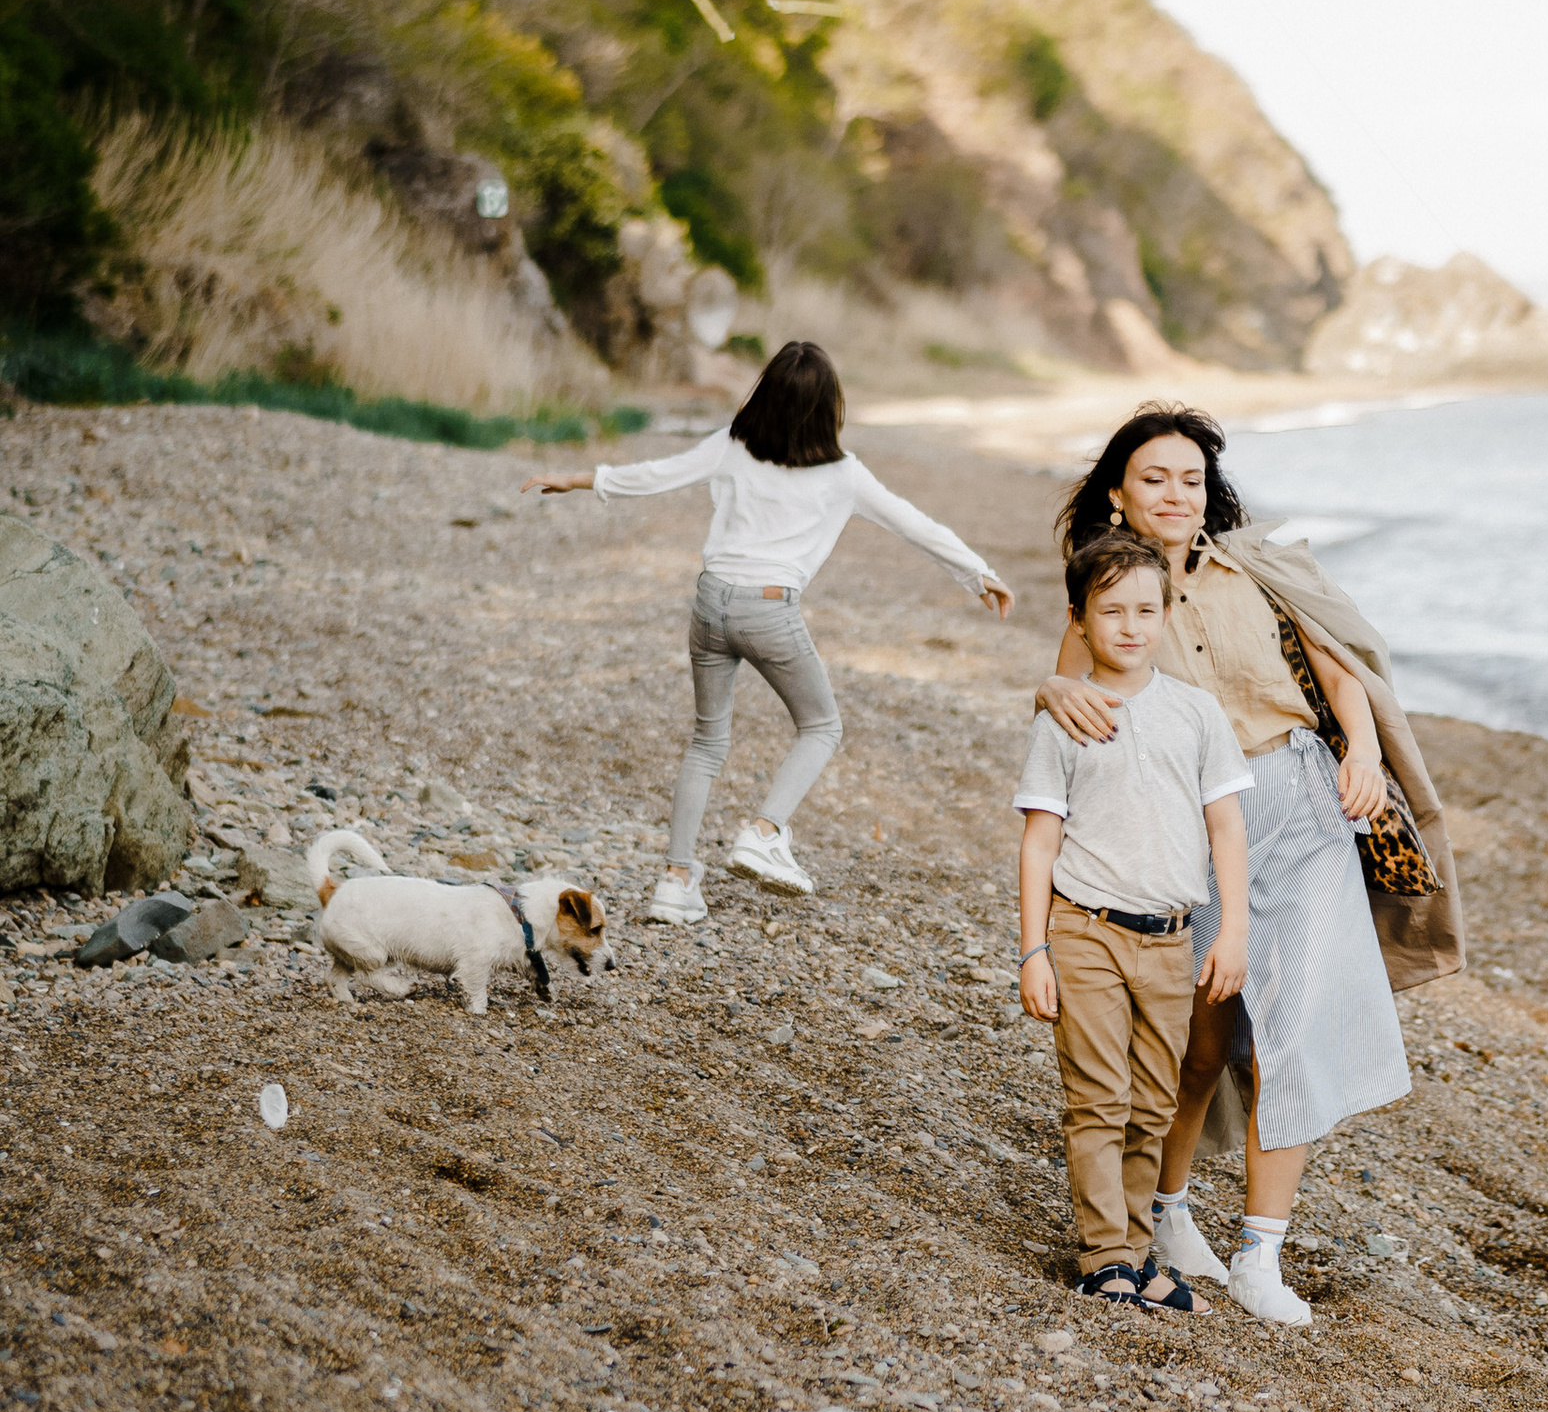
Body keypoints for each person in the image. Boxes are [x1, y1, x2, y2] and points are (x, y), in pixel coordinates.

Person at [1031, 405, 1461, 1331]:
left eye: (1190, 478)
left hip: (1300, 804)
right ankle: (1172, 1212)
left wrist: (1361, 751)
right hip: (1189, 824)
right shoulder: (1109, 589)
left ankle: (1262, 1251)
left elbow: (1337, 665)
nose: (1176, 494)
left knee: (1291, 1035)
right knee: (1199, 1041)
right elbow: (1072, 690)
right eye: (1155, 478)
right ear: (1120, 492)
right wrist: (1050, 684)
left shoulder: (1256, 569)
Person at [529, 338, 1012, 918]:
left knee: (707, 742)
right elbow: (914, 524)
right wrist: (978, 573)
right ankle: (764, 832)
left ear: (764, 395)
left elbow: (655, 474)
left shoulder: (731, 447)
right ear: (829, 408)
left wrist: (577, 479)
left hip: (710, 605)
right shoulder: (843, 474)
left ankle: (675, 882)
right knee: (822, 727)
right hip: (768, 610)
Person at [1015, 526, 1252, 1314]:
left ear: (1167, 614)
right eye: (1110, 611)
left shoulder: (1197, 714)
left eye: (1145, 610)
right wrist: (1033, 949)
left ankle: (1139, 1250)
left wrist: (1235, 931)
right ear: (1079, 619)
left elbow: (1225, 828)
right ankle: (1103, 1253)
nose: (1130, 626)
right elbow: (1040, 838)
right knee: (1097, 1098)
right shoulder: (1067, 716)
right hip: (1085, 931)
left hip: (1171, 939)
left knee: (1154, 1102)